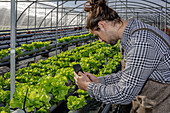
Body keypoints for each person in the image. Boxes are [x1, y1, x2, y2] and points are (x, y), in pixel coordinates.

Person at [74, 0, 170, 113]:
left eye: (97, 35)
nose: (100, 40)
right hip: (150, 102)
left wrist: (88, 86)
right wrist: (99, 81)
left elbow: (124, 94)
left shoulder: (140, 42)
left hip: (160, 105)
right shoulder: (130, 36)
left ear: (102, 25)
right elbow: (129, 75)